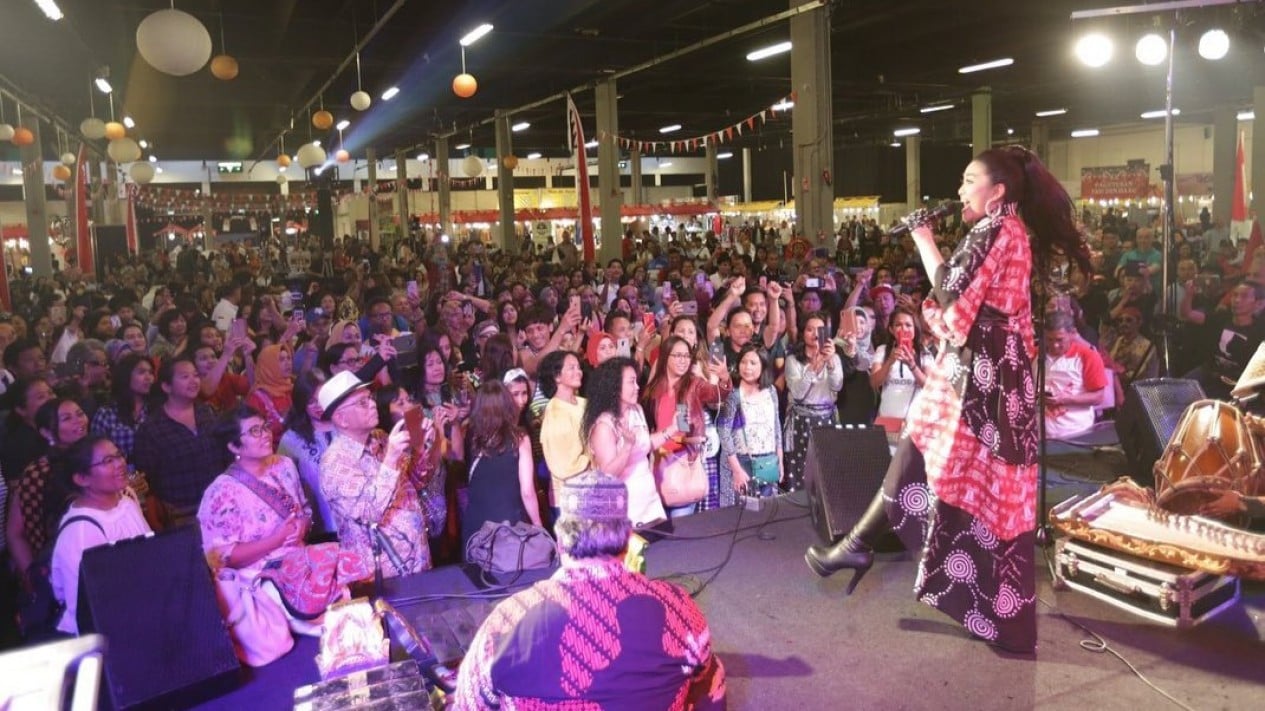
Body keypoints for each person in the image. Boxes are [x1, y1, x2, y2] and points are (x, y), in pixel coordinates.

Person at [805, 146, 1091, 654]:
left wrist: (923, 239)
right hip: (992, 372)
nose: (960, 191)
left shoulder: (992, 230)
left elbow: (951, 292)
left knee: (973, 483)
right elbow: (970, 316)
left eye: (968, 181)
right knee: (926, 448)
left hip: (981, 378)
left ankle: (869, 553)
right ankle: (856, 546)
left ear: (997, 190)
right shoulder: (1014, 232)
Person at [452, 472, 725, 710]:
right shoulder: (678, 607)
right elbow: (703, 672)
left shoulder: (506, 621)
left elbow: (467, 704)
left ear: (560, 542)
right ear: (628, 538)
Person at [318, 371, 429, 578]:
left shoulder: (380, 437)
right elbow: (370, 513)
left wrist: (421, 447)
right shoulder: (334, 463)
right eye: (362, 403)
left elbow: (415, 482)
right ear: (341, 419)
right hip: (381, 574)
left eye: (370, 398)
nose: (372, 404)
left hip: (416, 557)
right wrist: (391, 458)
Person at [49, 436, 151, 635]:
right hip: (110, 632)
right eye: (107, 461)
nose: (121, 464)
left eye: (118, 455)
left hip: (141, 613)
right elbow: (87, 607)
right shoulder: (80, 532)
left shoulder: (127, 499)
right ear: (81, 478)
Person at [132, 357, 230, 527]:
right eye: (185, 377)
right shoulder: (152, 429)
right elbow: (148, 476)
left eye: (195, 375)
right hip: (181, 514)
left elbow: (224, 454)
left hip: (220, 504)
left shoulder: (207, 412)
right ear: (166, 386)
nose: (193, 381)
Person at [643, 336, 731, 513]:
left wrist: (724, 378)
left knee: (680, 526)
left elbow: (716, 394)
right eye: (678, 356)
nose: (684, 360)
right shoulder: (654, 389)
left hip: (684, 460)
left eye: (686, 356)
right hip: (658, 463)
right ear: (665, 357)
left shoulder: (693, 384)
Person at [583, 357, 671, 528]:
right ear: (615, 386)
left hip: (650, 502)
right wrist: (627, 447)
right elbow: (608, 475)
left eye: (637, 382)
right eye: (632, 382)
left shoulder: (637, 410)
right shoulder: (604, 426)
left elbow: (645, 444)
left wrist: (672, 429)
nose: (637, 387)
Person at [460, 381, 542, 553]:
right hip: (508, 523)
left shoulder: (472, 437)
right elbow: (527, 491)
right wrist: (537, 524)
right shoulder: (519, 438)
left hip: (475, 524)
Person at [782, 312, 843, 491]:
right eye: (810, 329)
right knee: (799, 467)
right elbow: (798, 393)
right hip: (801, 420)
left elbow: (837, 385)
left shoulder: (835, 358)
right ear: (803, 333)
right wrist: (814, 368)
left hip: (826, 419)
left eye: (820, 330)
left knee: (825, 469)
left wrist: (830, 362)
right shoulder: (793, 360)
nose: (815, 334)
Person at [718, 344, 784, 498]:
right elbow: (724, 433)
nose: (747, 367)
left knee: (766, 515)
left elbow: (776, 426)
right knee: (743, 517)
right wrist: (736, 470)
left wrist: (779, 460)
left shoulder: (771, 391)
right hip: (742, 462)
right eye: (743, 362)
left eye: (753, 363)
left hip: (767, 462)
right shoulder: (733, 394)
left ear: (763, 366)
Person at [538, 350, 590, 521]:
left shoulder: (583, 403)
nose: (578, 371)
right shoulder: (555, 412)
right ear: (557, 376)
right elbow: (563, 466)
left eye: (579, 367)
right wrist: (592, 456)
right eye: (571, 368)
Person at [1042, 311, 1108, 440]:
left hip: (1076, 433)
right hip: (1042, 435)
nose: (1054, 345)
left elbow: (1099, 397)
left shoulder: (1088, 356)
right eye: (1049, 339)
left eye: (1060, 340)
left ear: (1072, 333)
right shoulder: (1037, 355)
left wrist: (1065, 399)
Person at [869, 308, 934, 421]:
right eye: (898, 325)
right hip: (887, 419)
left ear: (915, 329)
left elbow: (930, 387)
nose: (904, 329)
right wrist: (890, 361)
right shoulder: (883, 350)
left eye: (908, 325)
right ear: (891, 329)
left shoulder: (924, 353)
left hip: (914, 424)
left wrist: (912, 365)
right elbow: (874, 383)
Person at [245, 344, 294, 440]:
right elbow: (254, 434)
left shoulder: (292, 387)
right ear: (269, 365)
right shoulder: (257, 398)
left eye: (289, 358)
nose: (288, 363)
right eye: (281, 359)